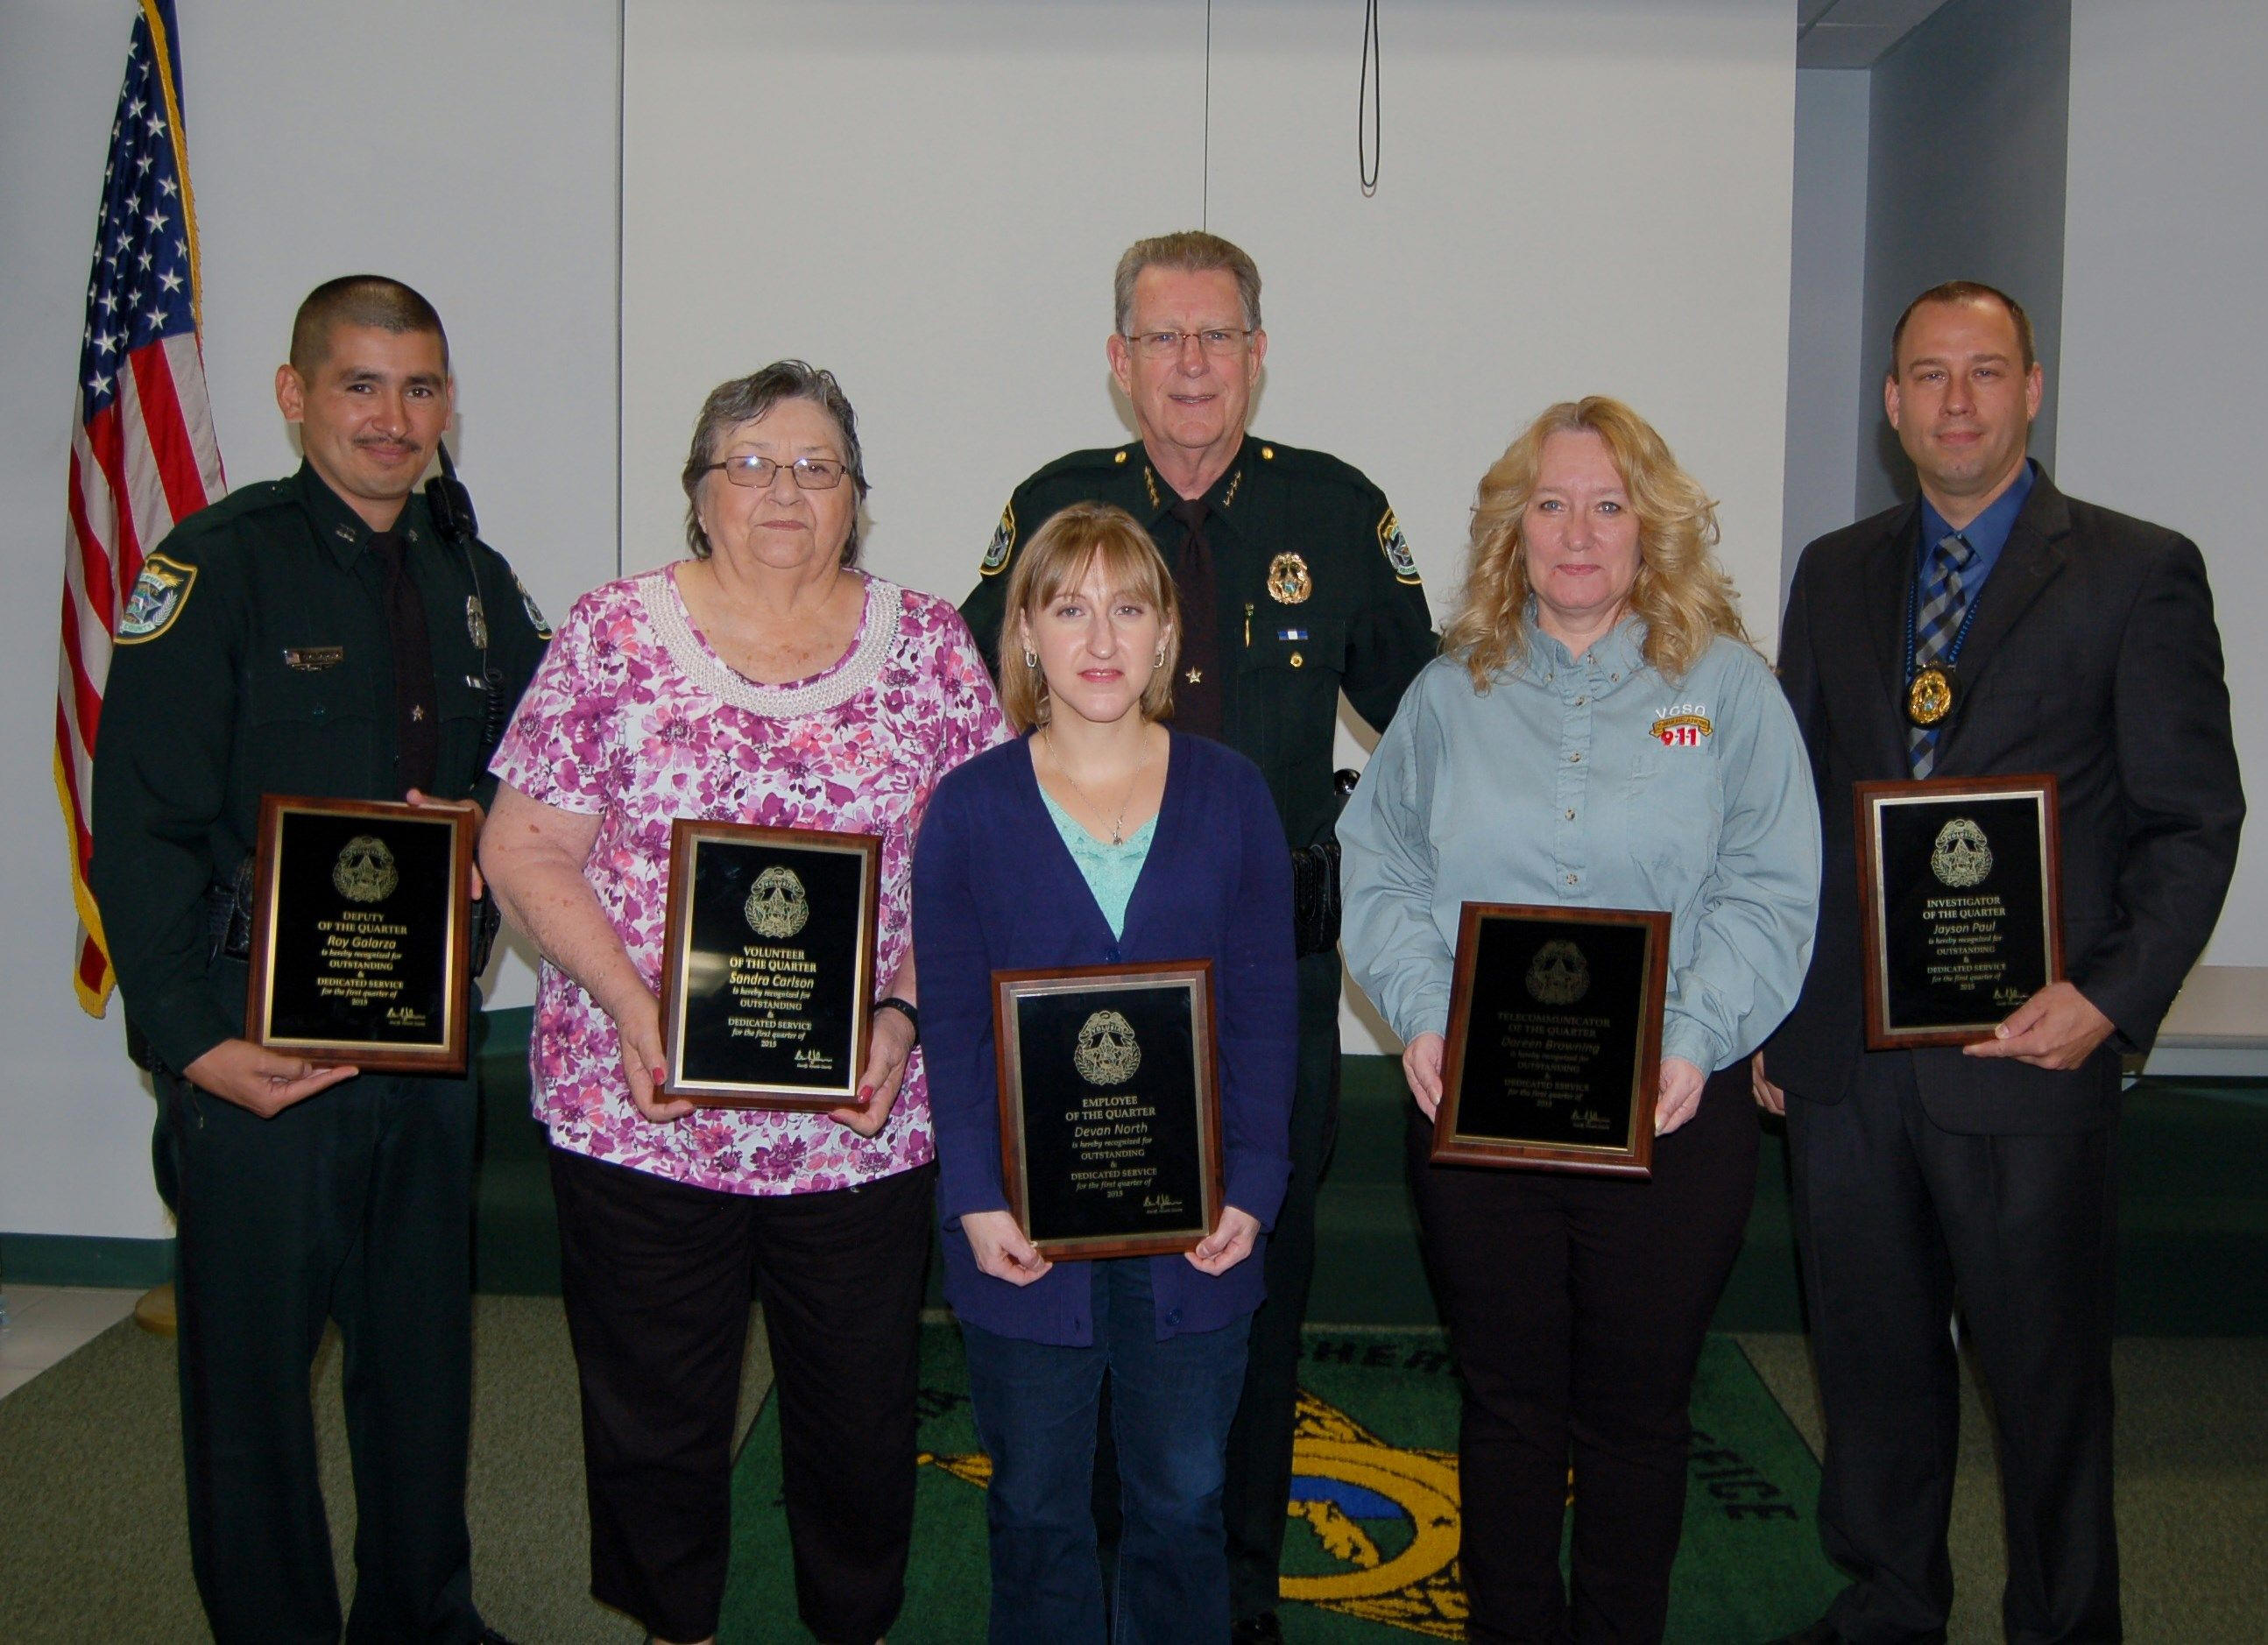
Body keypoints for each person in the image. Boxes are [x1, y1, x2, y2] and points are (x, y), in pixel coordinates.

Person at [478, 361, 1006, 1645]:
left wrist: (893, 1011)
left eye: (817, 466)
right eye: (753, 463)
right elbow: (525, 848)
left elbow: (976, 867)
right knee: (653, 1403)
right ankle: (676, 1627)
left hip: (861, 1113)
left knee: (858, 1407)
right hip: (640, 1101)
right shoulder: (610, 633)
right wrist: (627, 1001)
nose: (785, 489)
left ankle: (848, 1624)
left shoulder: (930, 643)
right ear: (700, 494)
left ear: (855, 502)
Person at [960, 230, 1436, 1641]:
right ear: (1118, 361)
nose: (1190, 366)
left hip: (1263, 984)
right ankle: (1100, 1577)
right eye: (1161, 339)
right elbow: (975, 704)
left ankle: (1225, 1591)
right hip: (1071, 982)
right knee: (1078, 1287)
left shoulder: (1338, 513)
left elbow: (1434, 732)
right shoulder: (1056, 507)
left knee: (1248, 1287)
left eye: (1216, 337)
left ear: (1256, 354)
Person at [1756, 282, 2244, 1645]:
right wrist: (1777, 1025)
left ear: (2032, 390)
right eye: (1926, 375)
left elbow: (2194, 818)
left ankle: (2064, 1624)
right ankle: (1891, 1604)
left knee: (2044, 1389)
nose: (1953, 400)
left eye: (1983, 372)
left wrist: (2106, 999)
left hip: (2031, 1056)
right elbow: (1788, 812)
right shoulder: (1835, 571)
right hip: (1851, 1065)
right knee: (1869, 1371)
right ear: (1891, 404)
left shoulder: (2137, 569)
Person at [88, 276, 547, 1644]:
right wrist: (191, 1039)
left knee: (421, 1366)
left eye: (418, 389)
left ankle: (421, 1614)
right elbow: (142, 827)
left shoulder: (476, 581)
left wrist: (491, 824)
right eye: (360, 384)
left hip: (422, 1047)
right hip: (255, 1048)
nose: (392, 418)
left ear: (448, 404)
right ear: (296, 395)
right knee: (250, 1390)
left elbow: (542, 774)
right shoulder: (212, 568)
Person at [1339, 398, 1820, 1643]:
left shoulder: (1727, 690)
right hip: (1476, 1109)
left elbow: (1772, 887)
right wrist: (1418, 1012)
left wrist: (1693, 1033)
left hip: (1670, 1111)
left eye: (1607, 504)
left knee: (1635, 1411)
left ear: (1650, 527)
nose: (1576, 530)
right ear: (1511, 527)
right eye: (1549, 503)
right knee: (1504, 1404)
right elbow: (1375, 865)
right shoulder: (1450, 693)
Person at [916, 502, 1298, 1641]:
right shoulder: (970, 808)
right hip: (1020, 1232)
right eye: (1068, 606)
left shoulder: (1231, 795)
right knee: (1034, 1505)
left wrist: (1256, 1186)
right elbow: (951, 1024)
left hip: (1199, 1230)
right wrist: (974, 1193)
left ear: (1165, 634)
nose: (1099, 636)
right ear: (1025, 631)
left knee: (1182, 1499)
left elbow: (1266, 1015)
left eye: (1127, 606)